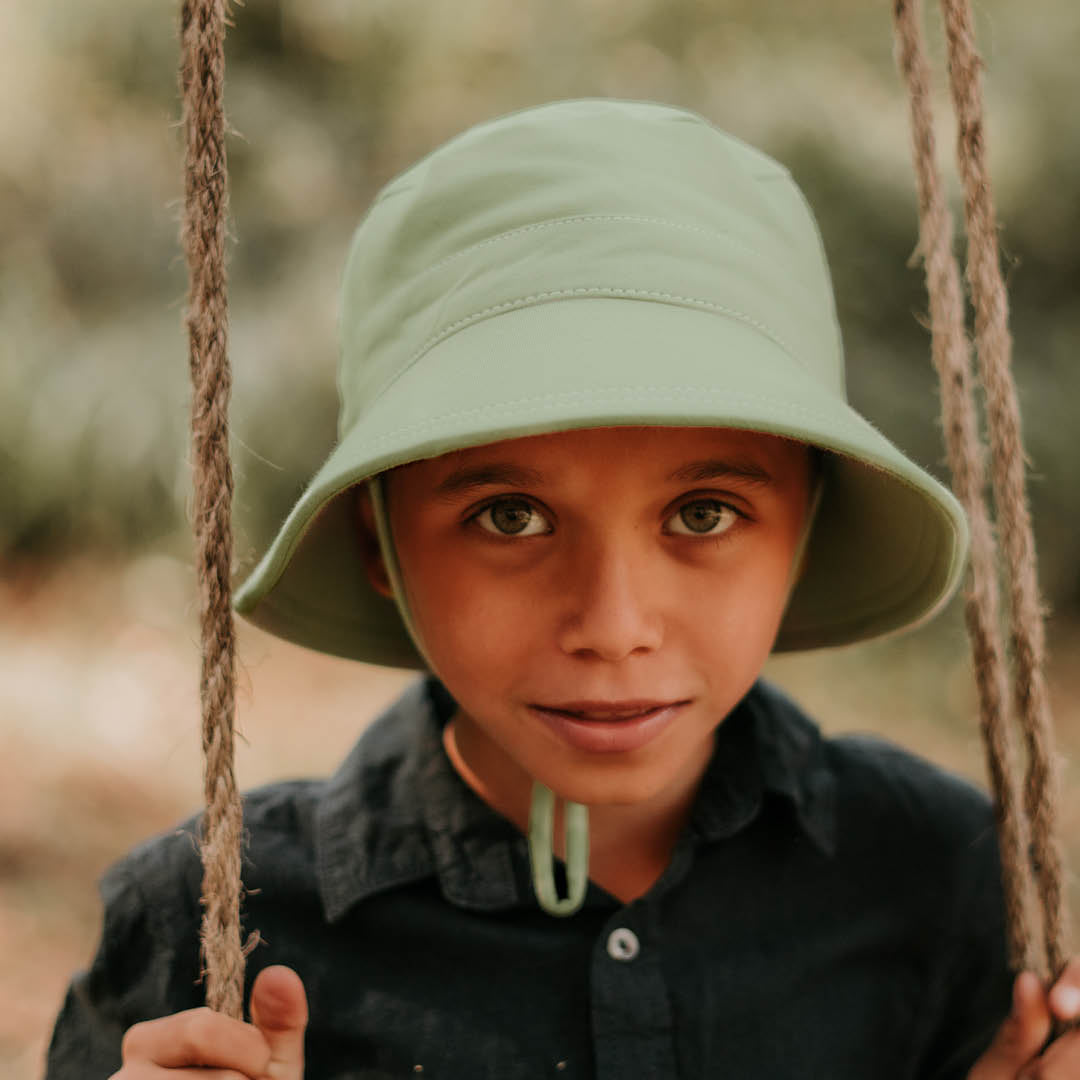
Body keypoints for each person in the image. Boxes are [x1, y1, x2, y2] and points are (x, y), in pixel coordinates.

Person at [44, 98, 1080, 1079]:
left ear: (805, 529)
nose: (614, 626)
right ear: (379, 544)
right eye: (509, 516)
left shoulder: (945, 880)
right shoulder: (214, 930)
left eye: (704, 514)